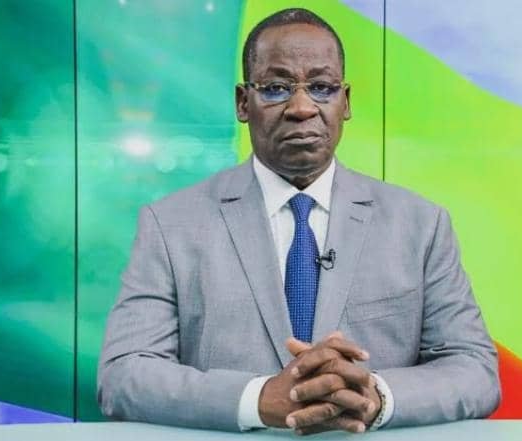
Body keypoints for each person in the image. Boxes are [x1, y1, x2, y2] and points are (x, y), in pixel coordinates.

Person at [97, 8, 500, 435]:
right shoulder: (170, 225)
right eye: (276, 88)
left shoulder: (420, 225)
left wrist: (376, 396)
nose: (302, 107)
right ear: (243, 103)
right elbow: (123, 375)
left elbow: (474, 370)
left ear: (346, 102)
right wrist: (257, 399)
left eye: (322, 88)